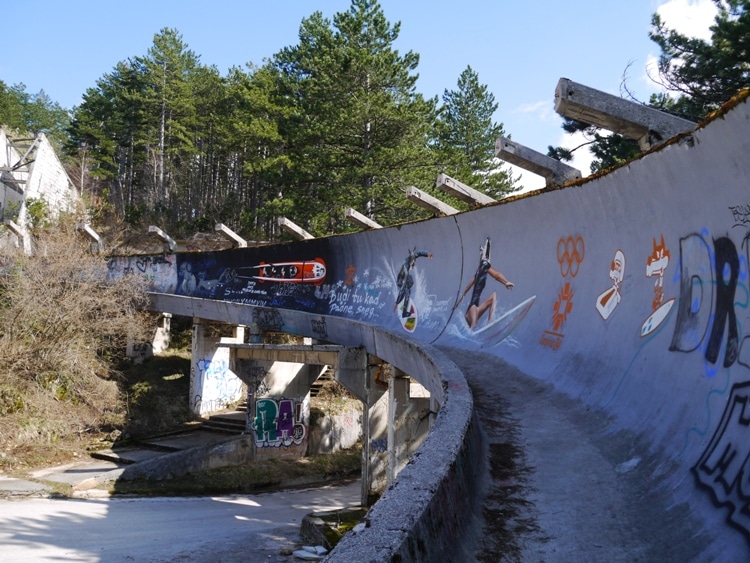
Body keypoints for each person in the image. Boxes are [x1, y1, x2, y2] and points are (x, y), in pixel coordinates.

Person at [457, 238, 514, 330]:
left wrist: (458, 301)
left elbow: (467, 288)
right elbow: (496, 274)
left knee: (493, 296)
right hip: (472, 308)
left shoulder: (479, 271)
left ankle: (490, 324)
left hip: (475, 310)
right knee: (474, 325)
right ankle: (474, 331)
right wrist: (505, 282)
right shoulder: (485, 266)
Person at [393, 247, 432, 318]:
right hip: (400, 281)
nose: (413, 265)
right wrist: (397, 302)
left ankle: (405, 297)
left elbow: (419, 253)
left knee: (410, 281)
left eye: (414, 263)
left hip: (404, 278)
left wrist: (427, 254)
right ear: (410, 262)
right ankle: (404, 313)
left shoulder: (412, 257)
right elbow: (402, 288)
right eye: (412, 264)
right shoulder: (405, 269)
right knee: (407, 292)